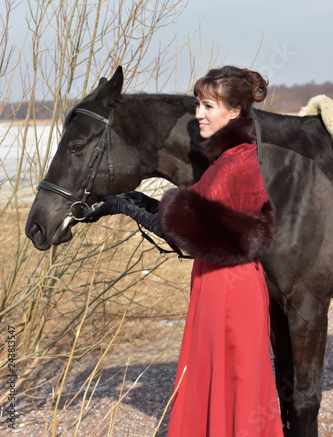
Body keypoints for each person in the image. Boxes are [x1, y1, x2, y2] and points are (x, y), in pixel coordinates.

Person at [85, 66, 284, 436]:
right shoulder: (231, 159)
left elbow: (183, 230)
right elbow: (193, 221)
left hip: (228, 289)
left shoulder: (234, 165)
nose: (199, 114)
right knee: (219, 380)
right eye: (198, 104)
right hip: (220, 283)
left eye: (209, 105)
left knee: (231, 381)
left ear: (236, 112)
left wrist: (127, 206)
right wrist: (138, 201)